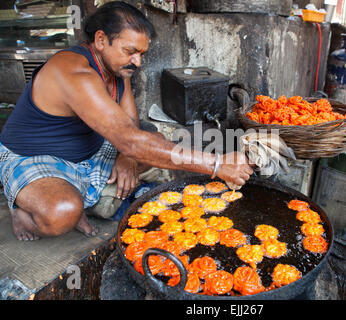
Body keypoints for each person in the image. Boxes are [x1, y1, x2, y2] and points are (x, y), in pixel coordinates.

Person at [0, 1, 253, 241]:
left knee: (154, 141)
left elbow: (132, 126)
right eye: (130, 51)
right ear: (100, 40)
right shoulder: (73, 73)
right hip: (36, 157)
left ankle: (87, 200)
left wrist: (127, 156)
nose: (138, 62)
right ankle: (25, 214)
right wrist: (217, 163)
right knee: (61, 212)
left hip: (89, 152)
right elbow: (131, 140)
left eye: (142, 53)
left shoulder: (119, 70)